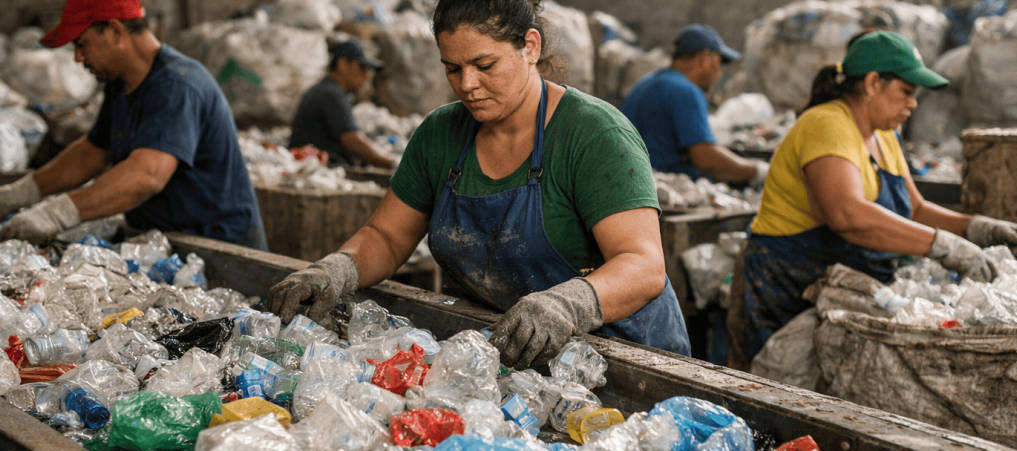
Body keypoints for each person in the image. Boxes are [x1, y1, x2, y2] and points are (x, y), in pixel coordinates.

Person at [267, 0, 690, 369]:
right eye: (453, 68)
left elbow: (643, 265)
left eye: (484, 65)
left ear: (530, 47)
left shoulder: (593, 134)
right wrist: (337, 269)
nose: (467, 85)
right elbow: (387, 235)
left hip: (624, 356)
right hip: (517, 357)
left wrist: (567, 304)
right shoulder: (440, 134)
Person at [739, 30, 1017, 360]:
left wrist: (976, 227)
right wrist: (944, 245)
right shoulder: (826, 124)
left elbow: (915, 209)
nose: (913, 103)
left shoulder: (884, 135)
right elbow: (847, 215)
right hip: (790, 288)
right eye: (906, 91)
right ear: (873, 83)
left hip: (842, 287)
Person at [0, 0, 267, 250]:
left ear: (115, 31)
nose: (78, 58)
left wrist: (57, 213)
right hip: (168, 241)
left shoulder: (178, 86)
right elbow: (92, 153)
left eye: (82, 44)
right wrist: (22, 193)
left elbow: (146, 175)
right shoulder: (121, 85)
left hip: (218, 249)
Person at [620, 24, 767, 185]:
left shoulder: (645, 83)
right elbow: (705, 159)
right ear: (705, 59)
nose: (718, 73)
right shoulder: (686, 91)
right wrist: (757, 171)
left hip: (629, 180)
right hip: (662, 185)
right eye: (718, 63)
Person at [288, 40, 395, 168]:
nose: (366, 75)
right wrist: (393, 164)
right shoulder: (331, 94)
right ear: (343, 64)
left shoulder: (325, 90)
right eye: (362, 67)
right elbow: (353, 141)